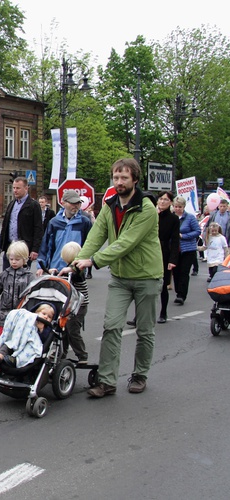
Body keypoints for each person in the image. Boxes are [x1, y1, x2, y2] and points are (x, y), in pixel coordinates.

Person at [74, 158, 162, 397]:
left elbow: (126, 242)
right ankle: (107, 381)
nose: (119, 182)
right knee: (111, 326)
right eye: (116, 177)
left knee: (145, 331)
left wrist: (95, 261)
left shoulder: (146, 208)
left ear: (135, 179)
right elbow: (96, 234)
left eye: (124, 177)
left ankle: (140, 375)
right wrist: (78, 261)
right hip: (121, 278)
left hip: (147, 277)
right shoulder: (109, 205)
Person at [127, 191, 179, 325]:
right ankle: (138, 317)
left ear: (170, 202)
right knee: (143, 284)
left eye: (166, 200)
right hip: (147, 251)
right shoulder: (150, 214)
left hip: (163, 252)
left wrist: (173, 259)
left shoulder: (173, 219)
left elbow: (174, 241)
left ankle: (163, 312)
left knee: (162, 285)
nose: (163, 202)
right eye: (161, 199)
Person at [0, 303, 56, 373]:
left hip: (31, 345)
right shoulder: (28, 320)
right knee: (8, 344)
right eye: (44, 314)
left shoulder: (47, 328)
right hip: (20, 341)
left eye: (49, 317)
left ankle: (15, 360)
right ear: (36, 313)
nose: (46, 317)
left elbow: (44, 340)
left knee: (28, 350)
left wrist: (41, 330)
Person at [0, 241, 33, 343]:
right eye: (11, 259)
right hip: (5, 315)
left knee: (18, 341)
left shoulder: (29, 277)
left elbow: (33, 295)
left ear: (25, 259)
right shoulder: (5, 274)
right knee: (1, 339)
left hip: (22, 315)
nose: (13, 262)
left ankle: (13, 358)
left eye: (17, 259)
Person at [36, 190, 92, 277]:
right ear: (63, 203)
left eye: (78, 203)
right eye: (72, 203)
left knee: (78, 290)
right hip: (55, 269)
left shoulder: (84, 222)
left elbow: (89, 245)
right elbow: (45, 246)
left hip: (75, 269)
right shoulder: (54, 222)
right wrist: (41, 266)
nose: (76, 206)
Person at [0, 177, 43, 269]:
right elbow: (5, 225)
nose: (15, 190)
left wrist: (35, 249)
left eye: (18, 188)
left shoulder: (33, 205)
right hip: (9, 247)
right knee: (6, 275)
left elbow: (38, 228)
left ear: (26, 188)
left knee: (21, 278)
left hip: (24, 248)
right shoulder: (11, 204)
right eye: (14, 188)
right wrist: (0, 245)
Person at [57, 242, 89, 363]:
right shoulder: (68, 269)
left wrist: (68, 270)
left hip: (79, 306)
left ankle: (82, 355)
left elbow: (76, 276)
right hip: (69, 306)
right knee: (63, 329)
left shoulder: (78, 271)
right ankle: (62, 353)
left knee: (72, 330)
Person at [172, 196, 201, 306]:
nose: (178, 209)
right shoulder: (172, 217)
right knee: (176, 272)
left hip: (188, 249)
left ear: (184, 207)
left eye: (180, 207)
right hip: (175, 249)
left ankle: (181, 295)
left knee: (184, 272)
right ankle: (178, 291)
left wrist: (183, 236)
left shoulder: (190, 218)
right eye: (176, 207)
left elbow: (197, 231)